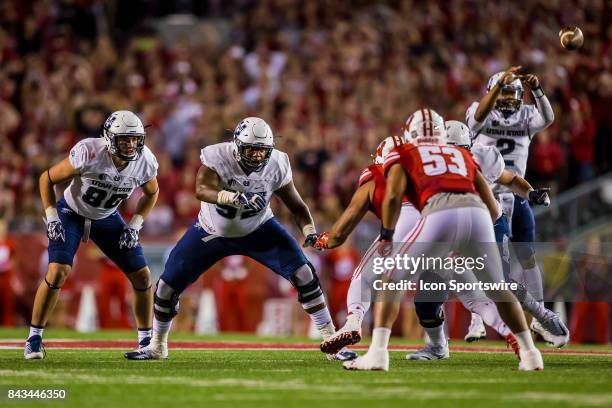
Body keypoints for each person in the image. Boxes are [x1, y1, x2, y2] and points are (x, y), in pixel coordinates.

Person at [125, 117, 355, 361]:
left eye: (261, 150)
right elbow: (202, 189)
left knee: (304, 274)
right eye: (251, 149)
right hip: (212, 230)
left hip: (258, 228)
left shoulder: (277, 163)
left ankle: (333, 343)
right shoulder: (218, 156)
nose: (256, 156)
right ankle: (158, 346)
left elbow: (296, 205)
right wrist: (233, 198)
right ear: (236, 145)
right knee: (166, 286)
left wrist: (309, 230)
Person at [343, 108, 543, 371]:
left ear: (410, 133)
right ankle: (530, 354)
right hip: (478, 214)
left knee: (391, 278)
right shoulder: (461, 152)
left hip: (441, 214)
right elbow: (491, 202)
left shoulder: (407, 153)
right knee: (497, 289)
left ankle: (378, 353)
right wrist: (490, 234)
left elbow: (393, 197)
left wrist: (387, 235)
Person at [24, 110, 159, 360]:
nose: (131, 144)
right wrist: (52, 216)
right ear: (109, 138)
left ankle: (146, 340)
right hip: (72, 212)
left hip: (107, 216)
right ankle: (34, 338)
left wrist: (135, 224)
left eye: (135, 138)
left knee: (142, 275)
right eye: (124, 139)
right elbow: (47, 178)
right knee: (58, 271)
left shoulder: (145, 161)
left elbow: (152, 192)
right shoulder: (89, 152)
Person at [466, 67, 569, 347]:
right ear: (493, 91)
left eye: (513, 92)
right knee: (488, 262)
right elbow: (475, 119)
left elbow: (548, 118)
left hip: (517, 192)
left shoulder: (526, 114)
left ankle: (539, 318)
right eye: (504, 91)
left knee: (527, 256)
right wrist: (499, 84)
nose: (509, 98)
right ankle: (478, 317)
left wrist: (537, 91)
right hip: (486, 195)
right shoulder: (481, 111)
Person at [313, 135, 421, 354]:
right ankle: (450, 339)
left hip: (405, 223)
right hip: (444, 224)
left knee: (363, 278)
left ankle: (354, 322)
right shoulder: (425, 170)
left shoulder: (375, 173)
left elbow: (347, 221)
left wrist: (324, 239)